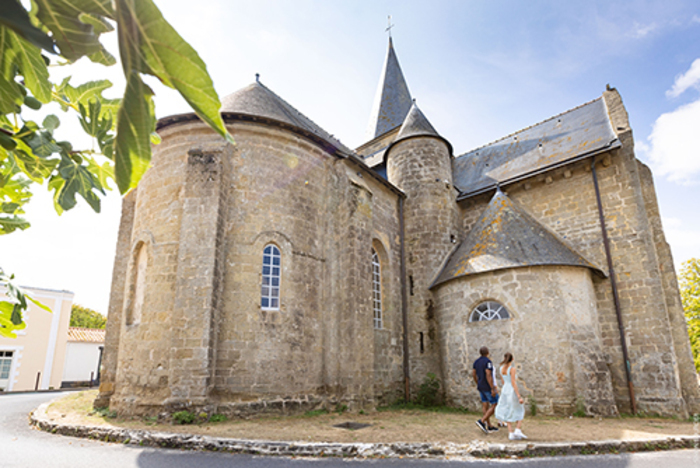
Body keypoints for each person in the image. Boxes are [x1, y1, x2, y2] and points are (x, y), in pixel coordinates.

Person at [494, 352, 527, 440]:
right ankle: (517, 429)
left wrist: (506, 389)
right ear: (512, 359)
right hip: (511, 390)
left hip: (505, 389)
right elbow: (513, 382)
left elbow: (503, 381)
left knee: (508, 409)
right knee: (520, 408)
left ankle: (511, 432)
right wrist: (518, 395)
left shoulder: (501, 368)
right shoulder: (512, 369)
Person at [472, 346, 499, 434]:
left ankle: (489, 425)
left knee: (485, 405)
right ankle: (482, 421)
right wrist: (492, 388)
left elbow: (473, 373)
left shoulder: (476, 362)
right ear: (487, 352)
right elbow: (488, 374)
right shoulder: (488, 362)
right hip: (487, 387)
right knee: (495, 404)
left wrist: (477, 382)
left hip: (481, 386)